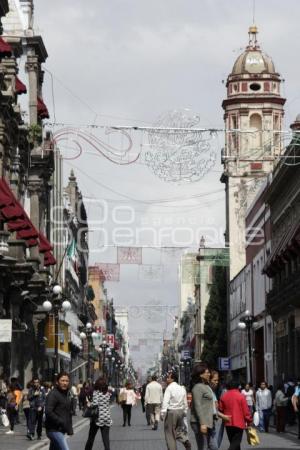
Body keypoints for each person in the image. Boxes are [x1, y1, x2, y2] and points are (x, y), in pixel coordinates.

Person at [161, 371, 191, 450]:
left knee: (170, 434)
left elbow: (165, 402)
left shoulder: (169, 388)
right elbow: (185, 402)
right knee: (179, 430)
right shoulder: (182, 388)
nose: (167, 379)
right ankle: (185, 440)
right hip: (180, 411)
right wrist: (184, 412)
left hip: (171, 412)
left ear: (172, 379)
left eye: (168, 377)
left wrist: (162, 414)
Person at [219, 381, 252, 450]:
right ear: (238, 386)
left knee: (233, 442)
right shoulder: (241, 396)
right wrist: (249, 421)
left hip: (228, 422)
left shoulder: (223, 396)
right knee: (236, 443)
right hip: (239, 423)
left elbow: (220, 409)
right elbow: (246, 412)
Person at [45, 371, 73, 450]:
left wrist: (69, 429)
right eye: (62, 380)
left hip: (61, 429)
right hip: (53, 430)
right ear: (57, 382)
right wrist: (61, 421)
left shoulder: (66, 394)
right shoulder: (53, 394)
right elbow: (48, 412)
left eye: (67, 381)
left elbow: (68, 413)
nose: (65, 383)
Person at [190, 363, 215, 449]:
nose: (209, 374)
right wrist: (202, 424)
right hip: (199, 422)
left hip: (208, 421)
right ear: (201, 375)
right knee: (203, 447)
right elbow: (198, 406)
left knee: (209, 446)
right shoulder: (197, 387)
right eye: (207, 372)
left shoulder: (206, 386)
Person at [84, 377, 112, 450]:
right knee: (106, 439)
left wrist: (89, 404)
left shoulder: (96, 393)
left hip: (96, 418)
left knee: (91, 437)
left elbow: (95, 404)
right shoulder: (108, 393)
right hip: (106, 417)